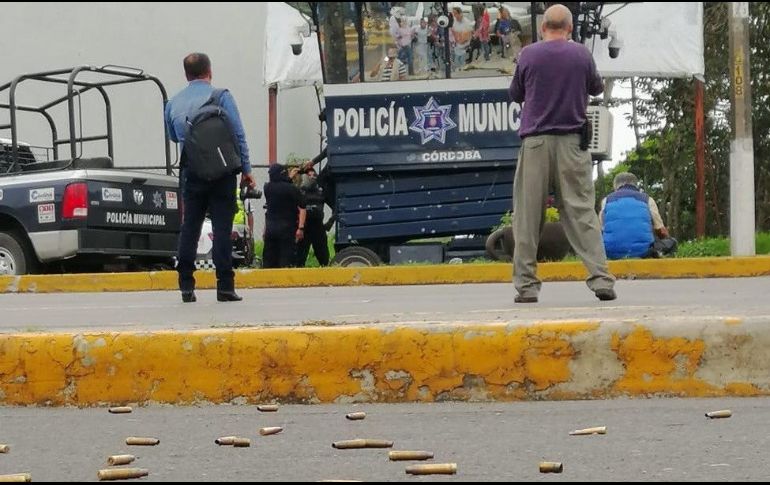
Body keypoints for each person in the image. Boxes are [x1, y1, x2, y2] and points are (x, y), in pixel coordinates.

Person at [508, 4, 616, 303]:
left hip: (536, 144)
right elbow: (595, 87)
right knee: (581, 211)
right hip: (572, 143)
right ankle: (601, 279)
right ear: (568, 28)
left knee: (528, 216)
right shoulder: (581, 54)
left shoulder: (529, 55)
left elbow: (516, 94)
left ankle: (527, 286)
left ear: (544, 28)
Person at [165, 52, 256, 303]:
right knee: (222, 229)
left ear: (186, 75)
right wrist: (246, 171)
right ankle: (225, 286)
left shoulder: (173, 103)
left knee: (190, 228)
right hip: (222, 172)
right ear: (210, 71)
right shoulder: (222, 97)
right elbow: (238, 135)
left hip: (192, 172)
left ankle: (186, 286)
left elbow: (174, 136)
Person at [600, 172, 678, 259]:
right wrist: (666, 239)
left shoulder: (606, 200)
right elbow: (661, 230)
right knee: (672, 242)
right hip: (643, 252)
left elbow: (602, 229)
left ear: (615, 186)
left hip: (611, 252)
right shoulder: (647, 199)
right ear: (636, 185)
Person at [263, 164, 306, 269]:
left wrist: (288, 179)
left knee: (269, 258)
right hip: (287, 228)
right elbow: (303, 207)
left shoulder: (267, 188)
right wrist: (301, 228)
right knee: (286, 258)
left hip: (270, 228)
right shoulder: (292, 189)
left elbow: (269, 208)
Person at [295, 164, 330, 267]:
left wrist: (330, 221)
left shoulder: (321, 191)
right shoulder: (299, 190)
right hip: (304, 227)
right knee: (300, 255)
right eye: (308, 175)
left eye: (313, 175)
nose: (312, 177)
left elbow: (335, 206)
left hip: (318, 226)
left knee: (323, 254)